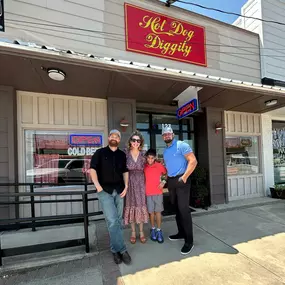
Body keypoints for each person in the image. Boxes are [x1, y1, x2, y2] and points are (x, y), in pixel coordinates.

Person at [90, 129, 131, 265]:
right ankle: (122, 250)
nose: (114, 138)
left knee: (118, 220)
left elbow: (125, 171)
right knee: (113, 221)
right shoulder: (100, 153)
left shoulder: (122, 155)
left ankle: (114, 250)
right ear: (108, 138)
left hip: (120, 191)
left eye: (117, 136)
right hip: (105, 191)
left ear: (119, 140)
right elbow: (92, 169)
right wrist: (98, 186)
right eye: (112, 136)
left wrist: (126, 186)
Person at [162, 126, 197, 255]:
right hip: (171, 181)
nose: (167, 136)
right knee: (176, 209)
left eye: (168, 133)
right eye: (164, 134)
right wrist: (165, 180)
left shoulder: (181, 145)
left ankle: (189, 241)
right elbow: (167, 168)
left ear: (173, 134)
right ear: (162, 137)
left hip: (182, 180)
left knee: (184, 210)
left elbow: (193, 161)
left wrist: (184, 177)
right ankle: (181, 233)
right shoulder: (166, 151)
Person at [123, 130, 148, 244]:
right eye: (134, 140)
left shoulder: (144, 154)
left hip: (141, 183)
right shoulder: (125, 153)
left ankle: (141, 232)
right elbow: (122, 169)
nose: (136, 142)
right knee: (131, 206)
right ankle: (133, 232)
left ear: (141, 142)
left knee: (140, 206)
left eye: (138, 140)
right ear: (130, 141)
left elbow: (151, 167)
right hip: (129, 182)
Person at [144, 148, 167, 243]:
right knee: (151, 212)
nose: (150, 160)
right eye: (148, 158)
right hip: (148, 193)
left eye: (152, 158)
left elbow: (165, 174)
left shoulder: (159, 165)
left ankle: (159, 230)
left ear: (155, 158)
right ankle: (152, 229)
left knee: (158, 212)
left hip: (158, 192)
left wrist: (163, 182)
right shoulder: (144, 166)